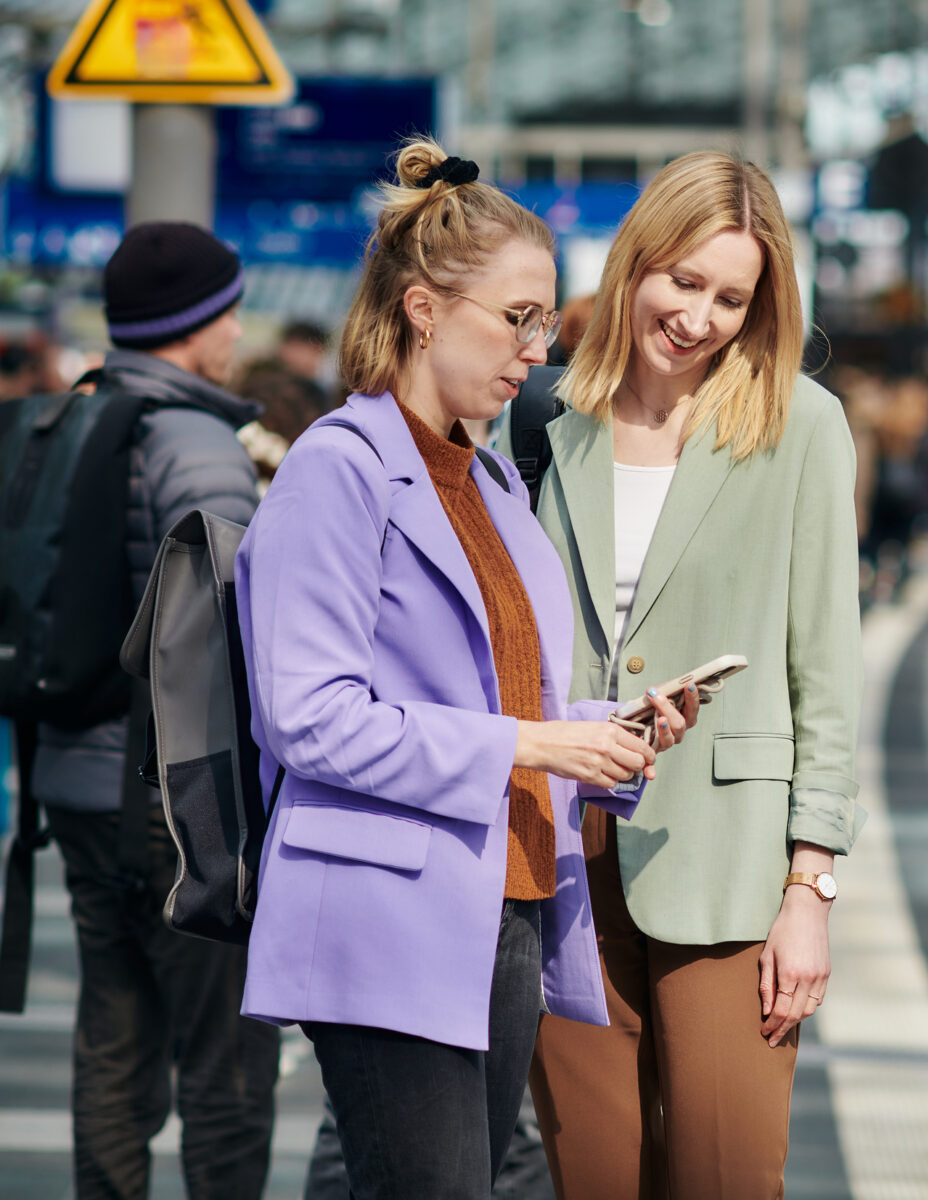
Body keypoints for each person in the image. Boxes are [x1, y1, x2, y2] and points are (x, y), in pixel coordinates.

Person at [232, 139, 694, 1200]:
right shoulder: (337, 470)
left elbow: (497, 706)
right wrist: (537, 742)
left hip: (503, 903)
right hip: (388, 912)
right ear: (425, 308)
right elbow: (308, 718)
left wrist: (607, 732)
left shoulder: (486, 480)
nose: (538, 349)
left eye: (546, 322)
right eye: (517, 318)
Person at [527, 150, 864, 1198]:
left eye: (732, 296)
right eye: (682, 279)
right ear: (634, 263)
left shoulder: (799, 429)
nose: (700, 315)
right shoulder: (541, 421)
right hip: (561, 843)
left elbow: (827, 672)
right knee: (594, 1176)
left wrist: (810, 885)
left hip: (732, 859)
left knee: (720, 1172)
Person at [30, 221, 280, 1198]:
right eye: (231, 308)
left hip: (74, 787)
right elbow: (242, 628)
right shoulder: (198, 442)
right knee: (223, 1063)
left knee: (113, 1047)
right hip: (181, 805)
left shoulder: (67, 417)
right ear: (199, 323)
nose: (238, 327)